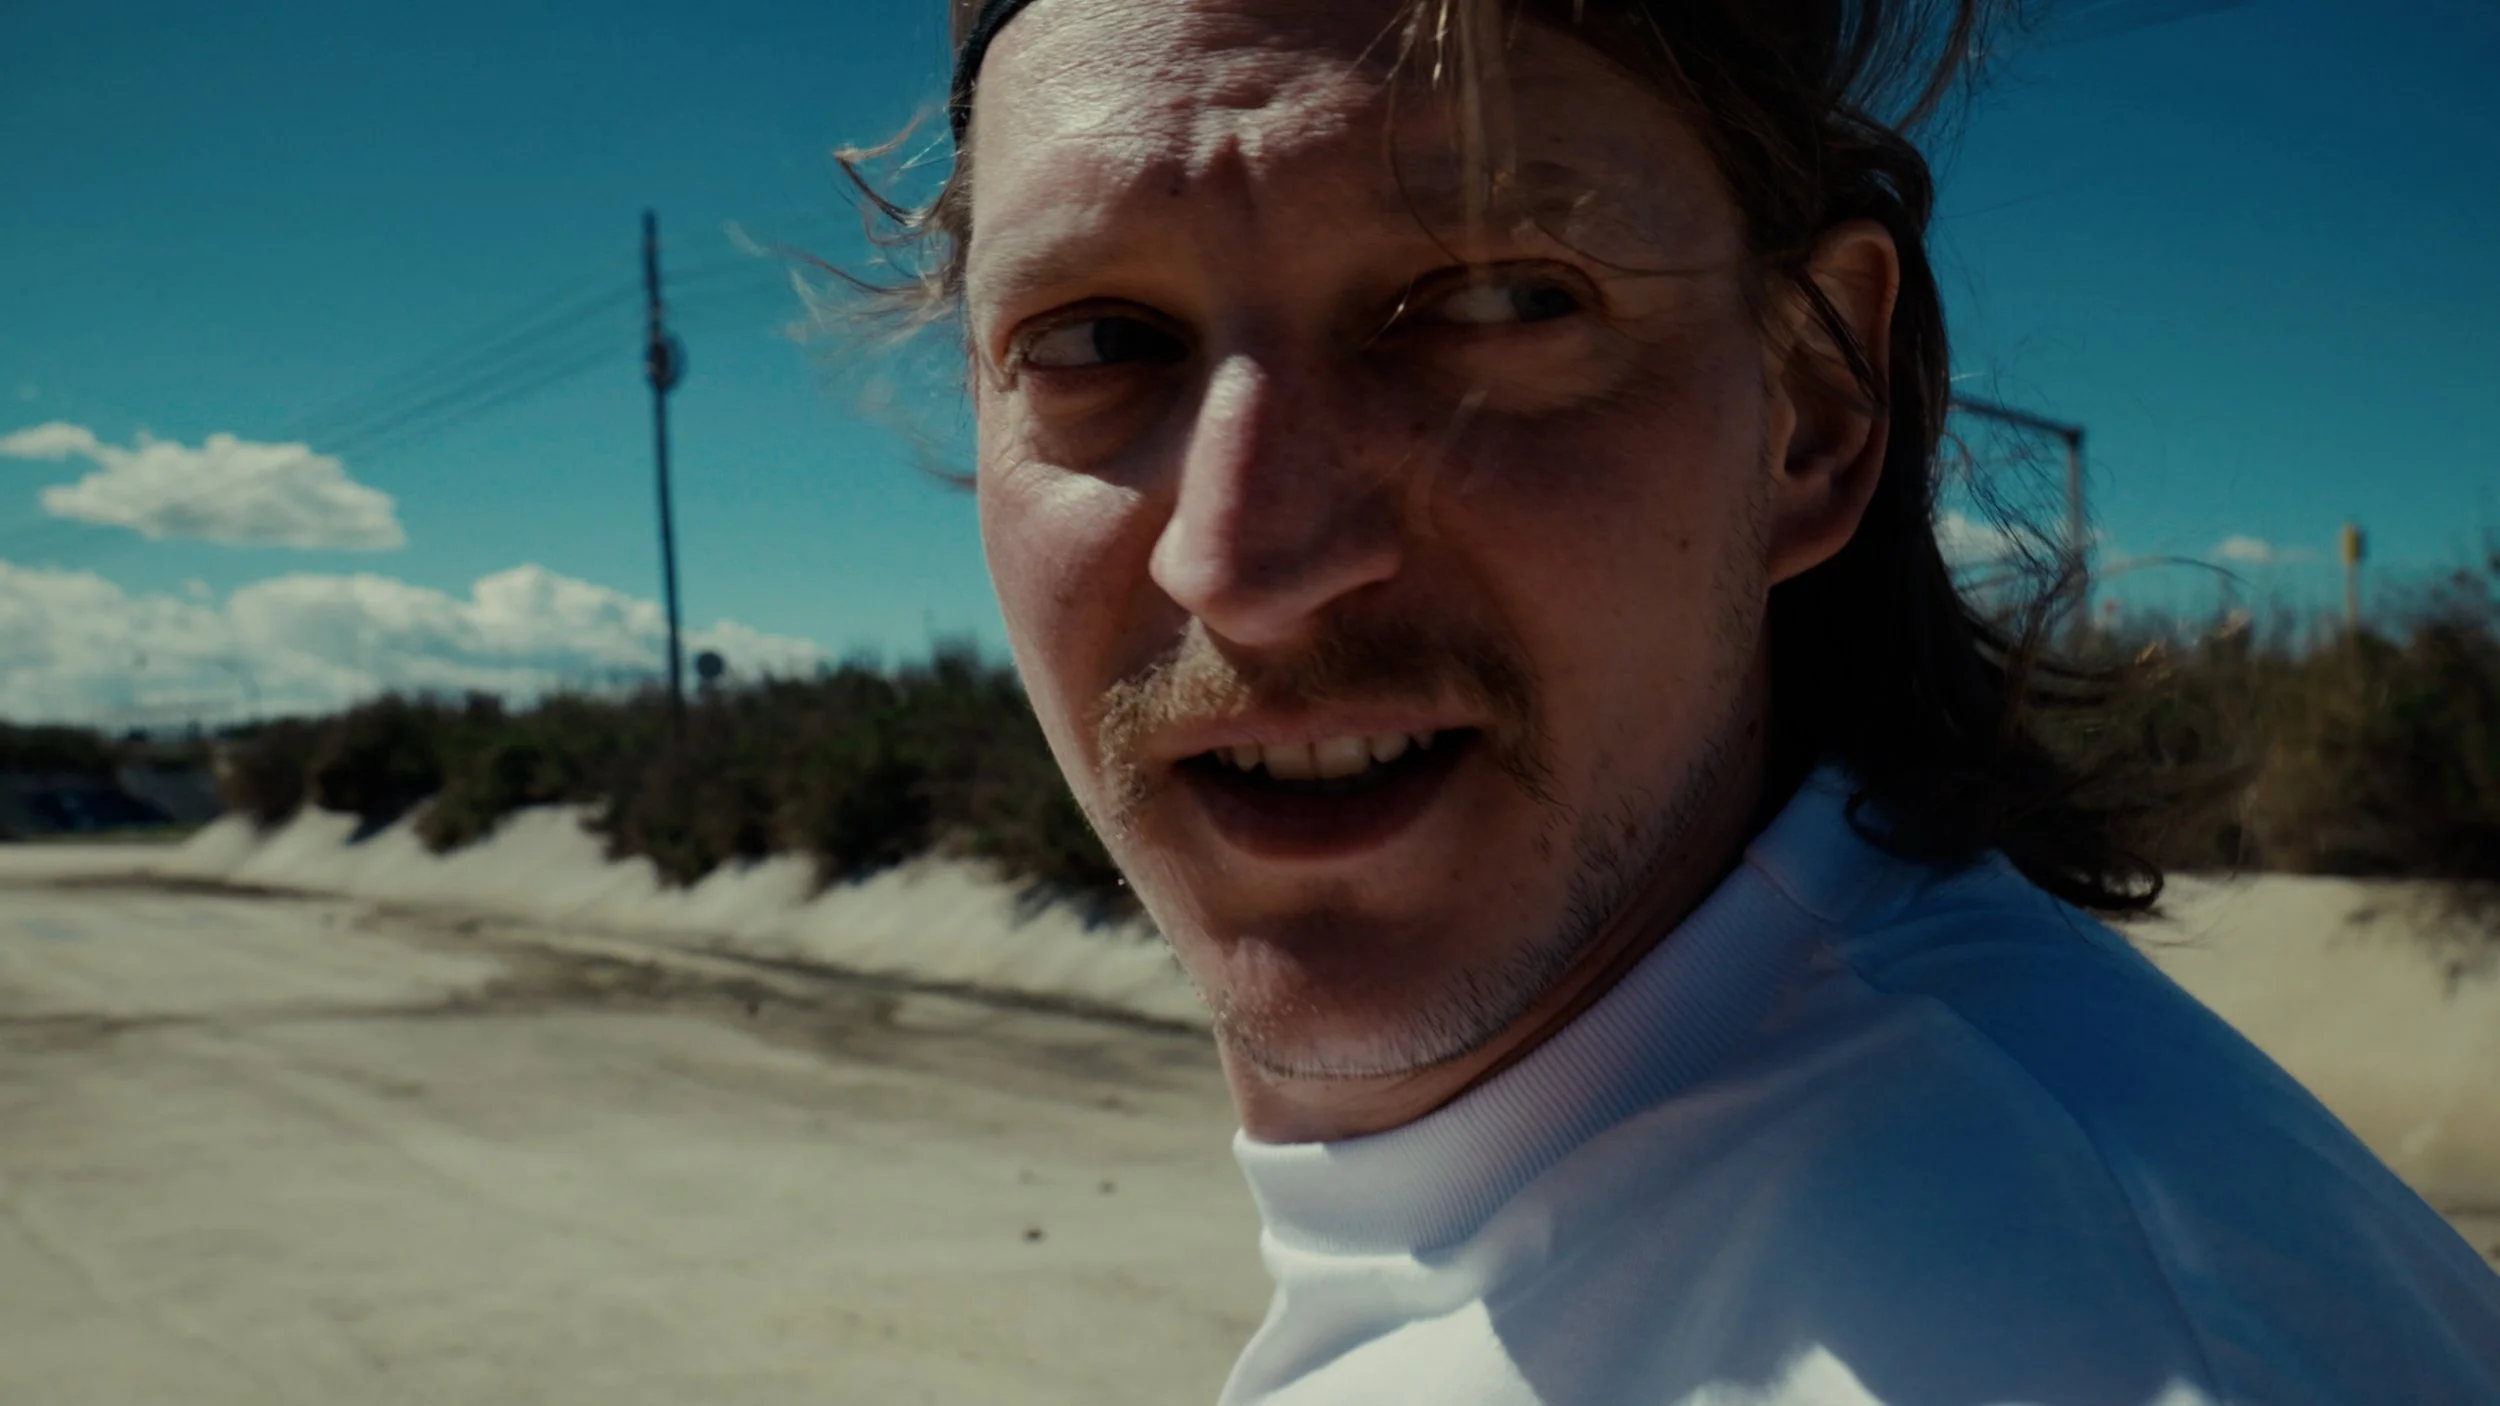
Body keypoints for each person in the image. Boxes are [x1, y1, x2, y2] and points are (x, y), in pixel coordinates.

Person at [851, 0, 2500, 1399]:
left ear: (1809, 402)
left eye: (1499, 297)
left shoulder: (2046, 1333)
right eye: (1093, 338)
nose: (1246, 557)